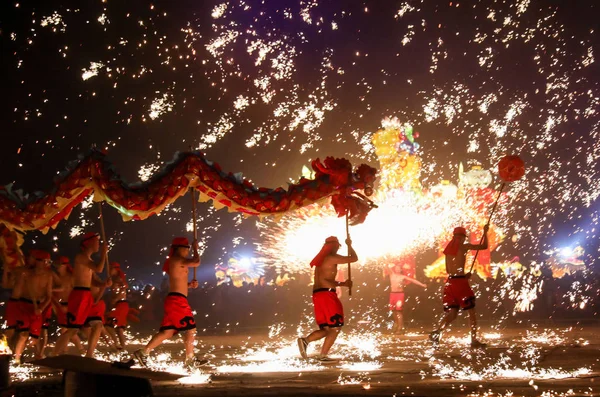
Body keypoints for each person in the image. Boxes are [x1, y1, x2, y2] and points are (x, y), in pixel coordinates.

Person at [134, 237, 205, 369]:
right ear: (179, 248)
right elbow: (196, 262)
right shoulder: (176, 259)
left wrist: (189, 285)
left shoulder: (178, 261)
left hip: (175, 299)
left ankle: (143, 352)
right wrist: (196, 248)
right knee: (190, 329)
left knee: (167, 332)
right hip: (177, 301)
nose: (188, 251)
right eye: (187, 248)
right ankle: (190, 360)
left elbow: (179, 282)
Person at [297, 236, 357, 362]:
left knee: (326, 329)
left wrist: (343, 284)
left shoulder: (321, 260)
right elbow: (354, 258)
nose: (338, 249)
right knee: (335, 327)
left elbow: (325, 279)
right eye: (338, 246)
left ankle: (306, 341)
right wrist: (349, 245)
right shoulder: (330, 258)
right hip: (327, 295)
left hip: (318, 294)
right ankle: (323, 354)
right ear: (334, 246)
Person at [429, 225, 489, 348]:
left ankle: (437, 332)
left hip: (450, 282)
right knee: (471, 311)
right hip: (460, 283)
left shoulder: (447, 250)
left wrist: (462, 274)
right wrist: (485, 232)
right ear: (461, 237)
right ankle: (473, 340)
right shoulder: (464, 246)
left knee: (453, 313)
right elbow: (484, 246)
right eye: (462, 237)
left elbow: (448, 270)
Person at [53, 232, 108, 357]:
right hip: (79, 295)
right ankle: (54, 354)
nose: (99, 245)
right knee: (72, 329)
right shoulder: (81, 257)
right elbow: (99, 269)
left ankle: (89, 354)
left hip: (86, 295)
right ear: (88, 243)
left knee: (98, 325)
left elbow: (93, 281)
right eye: (97, 242)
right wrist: (104, 253)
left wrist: (104, 284)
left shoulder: (88, 260)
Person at [13, 249, 53, 363]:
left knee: (34, 338)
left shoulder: (49, 275)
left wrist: (41, 308)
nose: (45, 263)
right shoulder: (26, 272)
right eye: (42, 261)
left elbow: (49, 296)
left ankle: (29, 354)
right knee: (23, 334)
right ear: (37, 261)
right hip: (24, 305)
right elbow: (13, 271)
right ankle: (17, 359)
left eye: (46, 261)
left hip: (38, 307)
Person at [52, 256, 85, 354]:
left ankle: (65, 351)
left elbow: (76, 292)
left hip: (69, 306)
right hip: (60, 305)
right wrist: (57, 306)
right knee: (66, 329)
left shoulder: (71, 278)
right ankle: (78, 349)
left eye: (59, 264)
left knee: (67, 329)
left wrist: (71, 306)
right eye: (56, 264)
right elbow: (53, 294)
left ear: (65, 265)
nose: (57, 267)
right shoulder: (56, 278)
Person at [383, 260, 426, 335]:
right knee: (393, 311)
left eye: (398, 268)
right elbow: (386, 267)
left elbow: (413, 280)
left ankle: (400, 327)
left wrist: (422, 284)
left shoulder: (403, 277)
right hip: (392, 294)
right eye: (396, 268)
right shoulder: (391, 274)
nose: (397, 269)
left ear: (401, 270)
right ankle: (396, 324)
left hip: (400, 295)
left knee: (398, 311)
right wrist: (386, 261)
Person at [105, 262, 129, 351]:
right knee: (119, 329)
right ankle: (122, 348)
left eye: (111, 268)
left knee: (108, 325)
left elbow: (124, 289)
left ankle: (117, 344)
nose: (109, 270)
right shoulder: (113, 279)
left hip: (121, 304)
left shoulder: (119, 279)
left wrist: (116, 298)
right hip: (120, 304)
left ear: (116, 269)